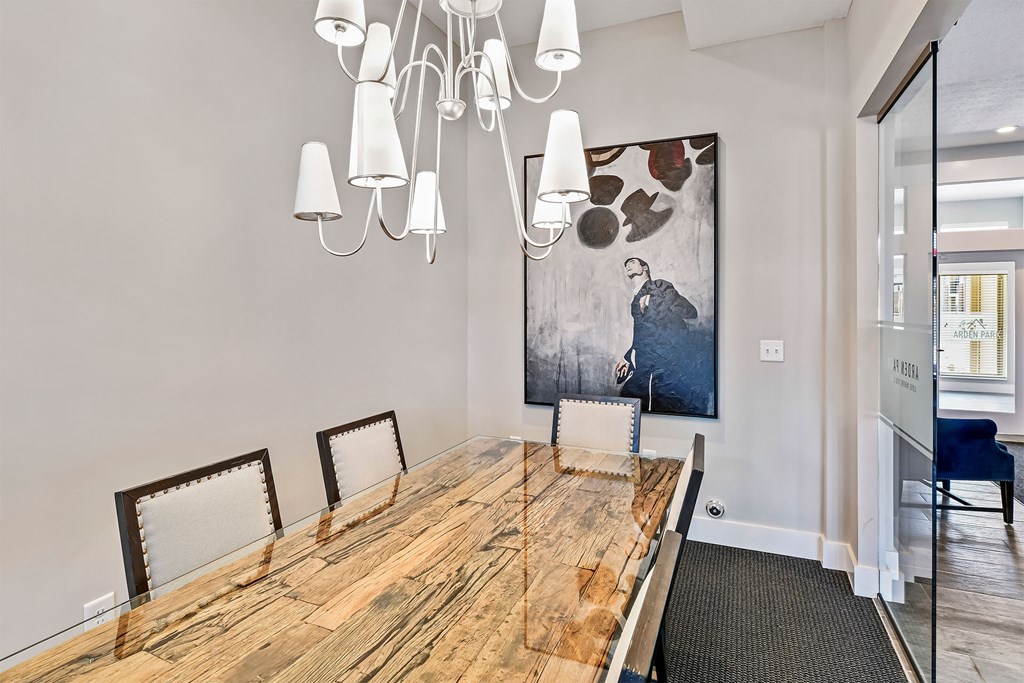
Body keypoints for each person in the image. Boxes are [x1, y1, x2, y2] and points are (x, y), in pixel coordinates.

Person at [615, 257, 700, 413]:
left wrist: (653, 301)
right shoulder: (635, 299)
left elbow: (690, 312)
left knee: (664, 404)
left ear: (645, 267)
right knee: (630, 402)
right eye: (626, 265)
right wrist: (628, 357)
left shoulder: (660, 286)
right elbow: (643, 334)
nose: (628, 265)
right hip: (645, 361)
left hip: (667, 360)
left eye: (632, 262)